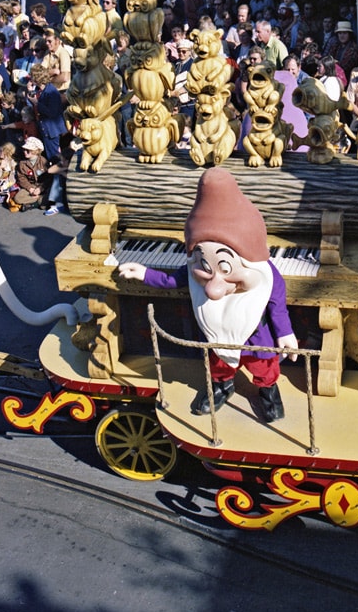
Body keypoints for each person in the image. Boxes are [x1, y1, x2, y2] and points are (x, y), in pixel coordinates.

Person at [118, 167, 297, 423]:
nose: (213, 287)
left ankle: (268, 391)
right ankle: (222, 386)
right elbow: (173, 280)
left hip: (257, 336)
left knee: (264, 367)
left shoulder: (267, 276)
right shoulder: (195, 268)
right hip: (217, 335)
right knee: (218, 365)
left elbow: (277, 306)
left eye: (225, 269)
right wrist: (144, 273)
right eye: (205, 268)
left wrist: (285, 333)